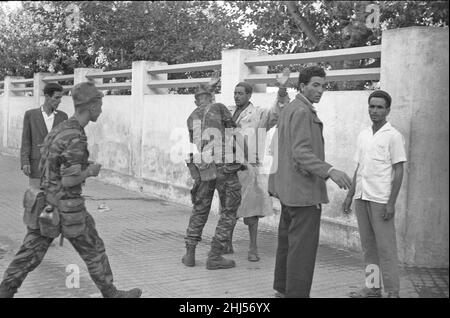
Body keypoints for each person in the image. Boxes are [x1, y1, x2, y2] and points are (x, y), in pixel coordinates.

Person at [0, 82, 142, 298]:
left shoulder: (62, 128)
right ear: (91, 106)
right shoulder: (76, 135)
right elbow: (69, 180)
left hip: (46, 203)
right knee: (94, 250)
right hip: (68, 208)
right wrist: (90, 171)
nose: (101, 109)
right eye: (100, 104)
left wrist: (79, 167)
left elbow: (52, 165)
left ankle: (5, 290)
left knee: (29, 253)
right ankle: (111, 293)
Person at [268, 66, 352, 298]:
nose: (320, 90)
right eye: (315, 85)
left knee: (288, 245)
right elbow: (301, 153)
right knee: (302, 250)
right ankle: (295, 293)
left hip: (288, 191)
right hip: (303, 193)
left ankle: (283, 290)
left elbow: (279, 148)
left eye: (323, 86)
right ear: (302, 85)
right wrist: (330, 171)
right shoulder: (303, 112)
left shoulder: (290, 109)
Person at [342, 90, 406, 298]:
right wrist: (350, 195)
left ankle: (393, 292)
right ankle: (373, 287)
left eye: (379, 107)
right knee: (368, 246)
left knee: (386, 248)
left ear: (387, 110)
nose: (375, 111)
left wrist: (391, 203)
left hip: (380, 200)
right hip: (362, 197)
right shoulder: (363, 134)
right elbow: (359, 167)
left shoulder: (393, 136)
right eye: (372, 106)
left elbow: (398, 170)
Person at [224, 68, 291, 262]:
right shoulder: (227, 111)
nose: (237, 96)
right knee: (229, 209)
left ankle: (253, 248)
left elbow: (278, 112)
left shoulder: (259, 114)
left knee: (251, 211)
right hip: (228, 167)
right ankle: (226, 241)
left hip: (248, 168)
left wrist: (282, 90)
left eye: (240, 93)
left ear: (249, 95)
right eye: (235, 93)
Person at [182, 74, 245, 270]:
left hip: (204, 166)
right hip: (225, 165)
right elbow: (234, 131)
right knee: (228, 211)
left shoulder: (191, 117)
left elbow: (196, 142)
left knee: (200, 208)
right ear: (212, 96)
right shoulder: (219, 108)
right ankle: (215, 255)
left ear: (196, 100)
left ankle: (190, 253)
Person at [20, 83, 68, 190]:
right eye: (57, 97)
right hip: (36, 165)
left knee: (54, 201)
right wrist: (25, 162)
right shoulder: (30, 115)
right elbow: (26, 141)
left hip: (56, 167)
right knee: (36, 199)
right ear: (47, 96)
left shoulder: (63, 116)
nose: (59, 101)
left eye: (60, 98)